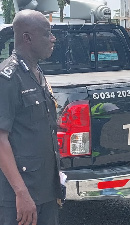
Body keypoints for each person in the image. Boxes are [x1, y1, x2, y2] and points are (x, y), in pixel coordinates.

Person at [0, 9, 61, 225]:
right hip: (21, 194)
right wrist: (21, 193)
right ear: (27, 38)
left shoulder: (36, 72)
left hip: (45, 190)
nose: (53, 38)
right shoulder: (8, 78)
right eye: (47, 33)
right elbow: (0, 139)